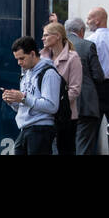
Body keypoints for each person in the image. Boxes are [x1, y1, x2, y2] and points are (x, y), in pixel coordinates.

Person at [1, 36, 62, 155]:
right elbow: (24, 106)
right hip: (25, 127)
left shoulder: (49, 73)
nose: (19, 63)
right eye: (17, 59)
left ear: (33, 54)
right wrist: (12, 101)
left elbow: (52, 106)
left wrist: (23, 98)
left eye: (22, 58)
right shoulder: (26, 75)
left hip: (41, 128)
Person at [39, 22, 81, 156]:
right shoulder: (41, 58)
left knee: (65, 150)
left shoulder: (73, 58)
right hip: (44, 115)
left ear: (57, 36)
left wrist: (55, 103)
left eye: (46, 35)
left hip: (65, 116)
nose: (42, 38)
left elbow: (75, 89)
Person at [65, 17, 104, 155]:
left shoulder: (55, 47)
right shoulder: (87, 45)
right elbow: (99, 76)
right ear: (81, 31)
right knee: (84, 146)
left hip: (62, 104)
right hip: (85, 103)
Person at [85, 7, 109, 121]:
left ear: (97, 20)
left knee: (93, 127)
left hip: (97, 86)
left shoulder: (90, 40)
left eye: (89, 18)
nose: (87, 22)